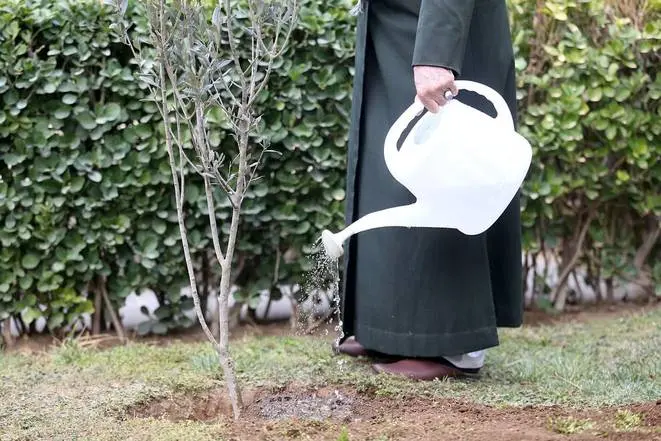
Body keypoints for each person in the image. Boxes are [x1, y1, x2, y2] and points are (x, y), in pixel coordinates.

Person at [335, 0, 524, 380]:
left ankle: (456, 346)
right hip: (398, 25)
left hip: (437, 27)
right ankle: (392, 332)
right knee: (391, 174)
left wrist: (437, 53)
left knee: (448, 169)